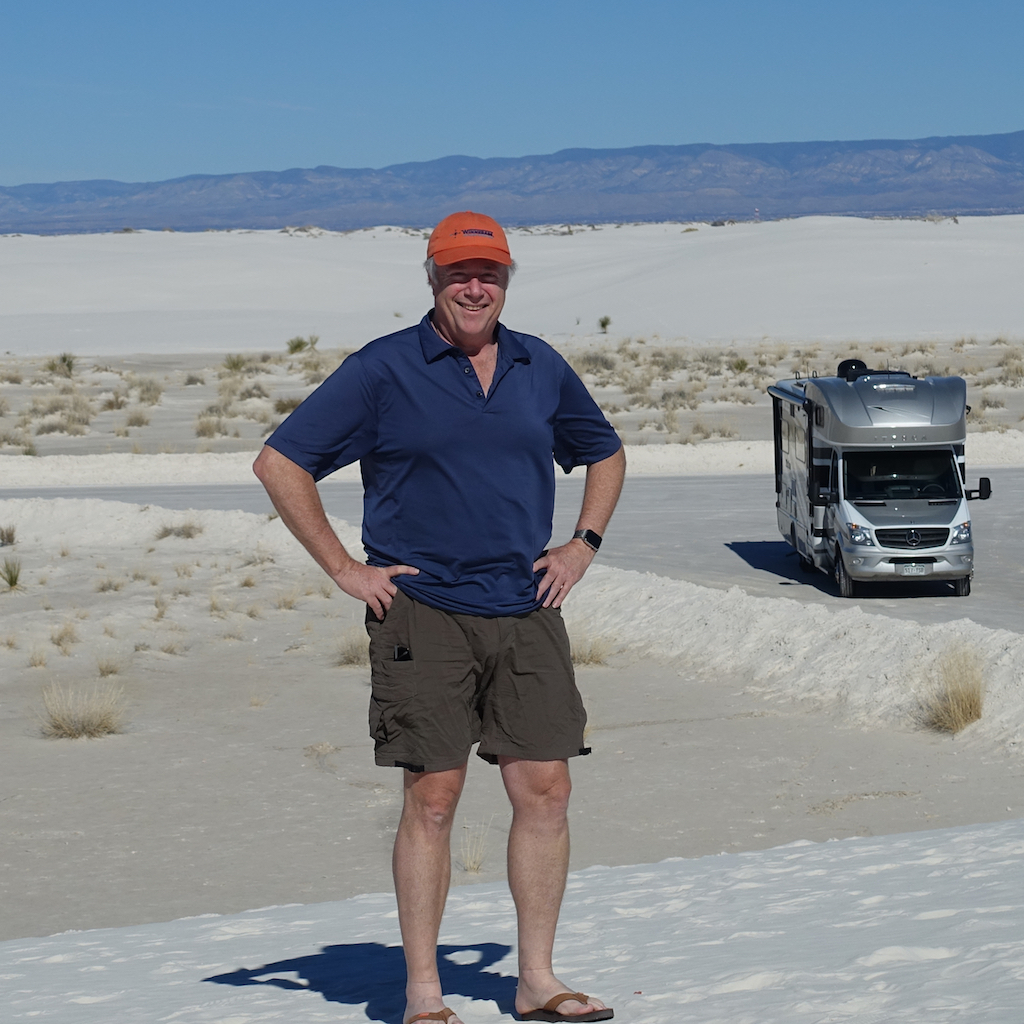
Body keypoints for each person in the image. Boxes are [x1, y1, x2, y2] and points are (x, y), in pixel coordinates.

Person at [253, 211, 625, 1024]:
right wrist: (346, 569)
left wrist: (582, 545)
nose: (474, 286)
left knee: (547, 790)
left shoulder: (537, 364)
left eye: (488, 273)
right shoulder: (385, 369)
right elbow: (280, 462)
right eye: (458, 272)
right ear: (431, 279)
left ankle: (536, 981)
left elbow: (604, 449)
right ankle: (423, 992)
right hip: (423, 611)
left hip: (527, 606)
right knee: (433, 797)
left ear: (506, 281)